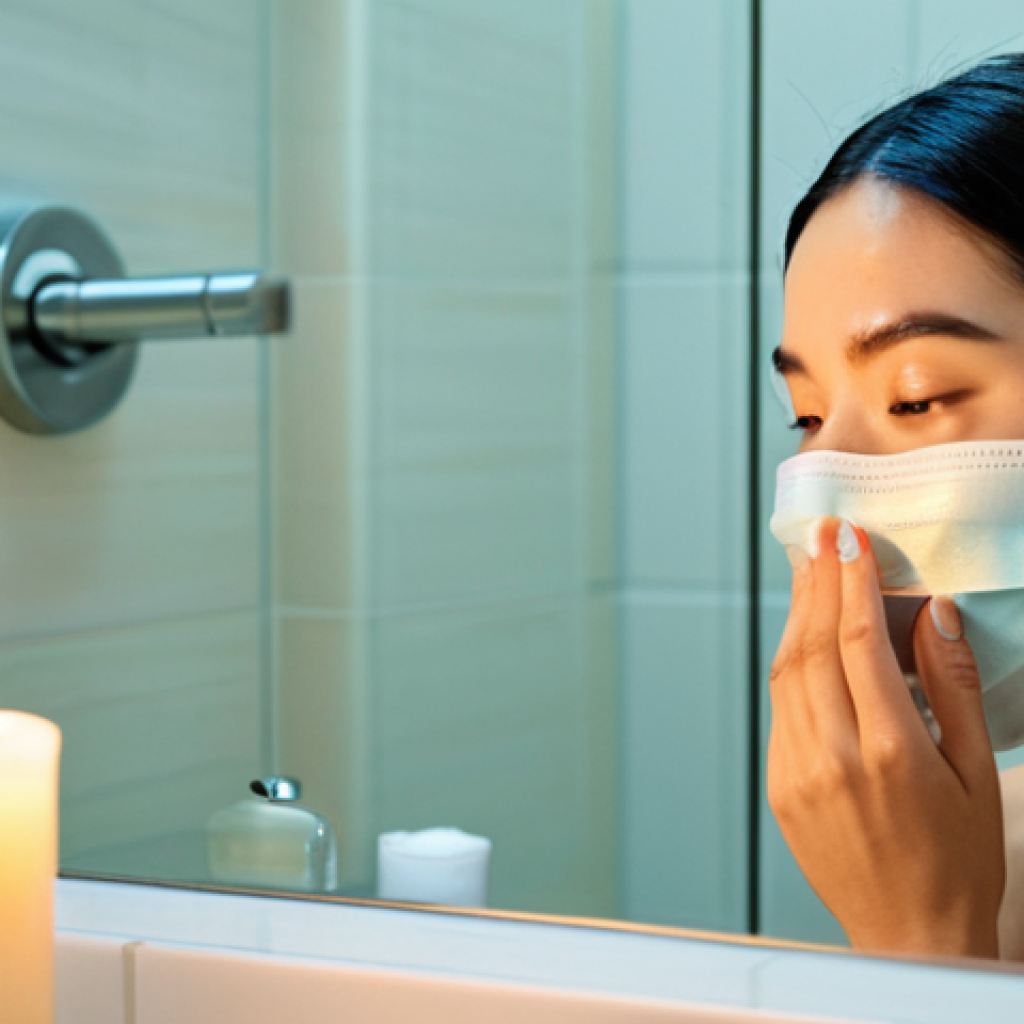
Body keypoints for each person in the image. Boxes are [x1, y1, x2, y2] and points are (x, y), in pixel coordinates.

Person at [768, 53, 1024, 961]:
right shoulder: (959, 818)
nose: (821, 477)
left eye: (914, 396)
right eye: (804, 415)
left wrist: (924, 942)